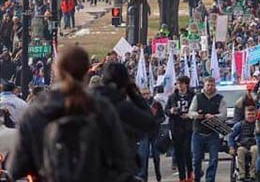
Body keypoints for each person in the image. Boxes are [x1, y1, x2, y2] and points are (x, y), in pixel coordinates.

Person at [8, 45, 132, 181]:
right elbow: (122, 160)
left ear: (56, 70)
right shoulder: (102, 108)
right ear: (87, 70)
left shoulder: (36, 111)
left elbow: (16, 168)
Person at [94, 61, 157, 176]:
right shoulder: (122, 106)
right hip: (120, 167)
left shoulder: (88, 101)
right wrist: (134, 93)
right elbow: (150, 122)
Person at [189, 77, 228, 182]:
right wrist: (197, 115)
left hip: (213, 133)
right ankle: (197, 177)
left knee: (213, 159)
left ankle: (210, 179)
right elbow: (190, 112)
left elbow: (224, 114)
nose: (210, 87)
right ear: (204, 85)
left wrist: (214, 116)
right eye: (208, 85)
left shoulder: (220, 98)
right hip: (198, 132)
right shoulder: (197, 97)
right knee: (196, 159)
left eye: (212, 85)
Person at [166, 75, 195, 182]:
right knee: (178, 153)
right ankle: (182, 177)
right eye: (177, 84)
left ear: (186, 84)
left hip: (189, 127)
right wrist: (171, 111)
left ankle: (190, 173)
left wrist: (189, 115)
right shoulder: (172, 97)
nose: (179, 86)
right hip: (176, 127)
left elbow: (197, 109)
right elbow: (166, 110)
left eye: (181, 84)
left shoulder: (193, 96)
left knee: (187, 151)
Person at [228, 103, 260, 182]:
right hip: (243, 145)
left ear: (255, 115)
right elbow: (231, 136)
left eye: (252, 114)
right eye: (249, 114)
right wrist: (231, 147)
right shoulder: (239, 125)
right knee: (240, 150)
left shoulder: (259, 124)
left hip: (255, 145)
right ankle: (241, 174)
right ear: (245, 115)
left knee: (255, 149)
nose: (250, 116)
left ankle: (253, 173)